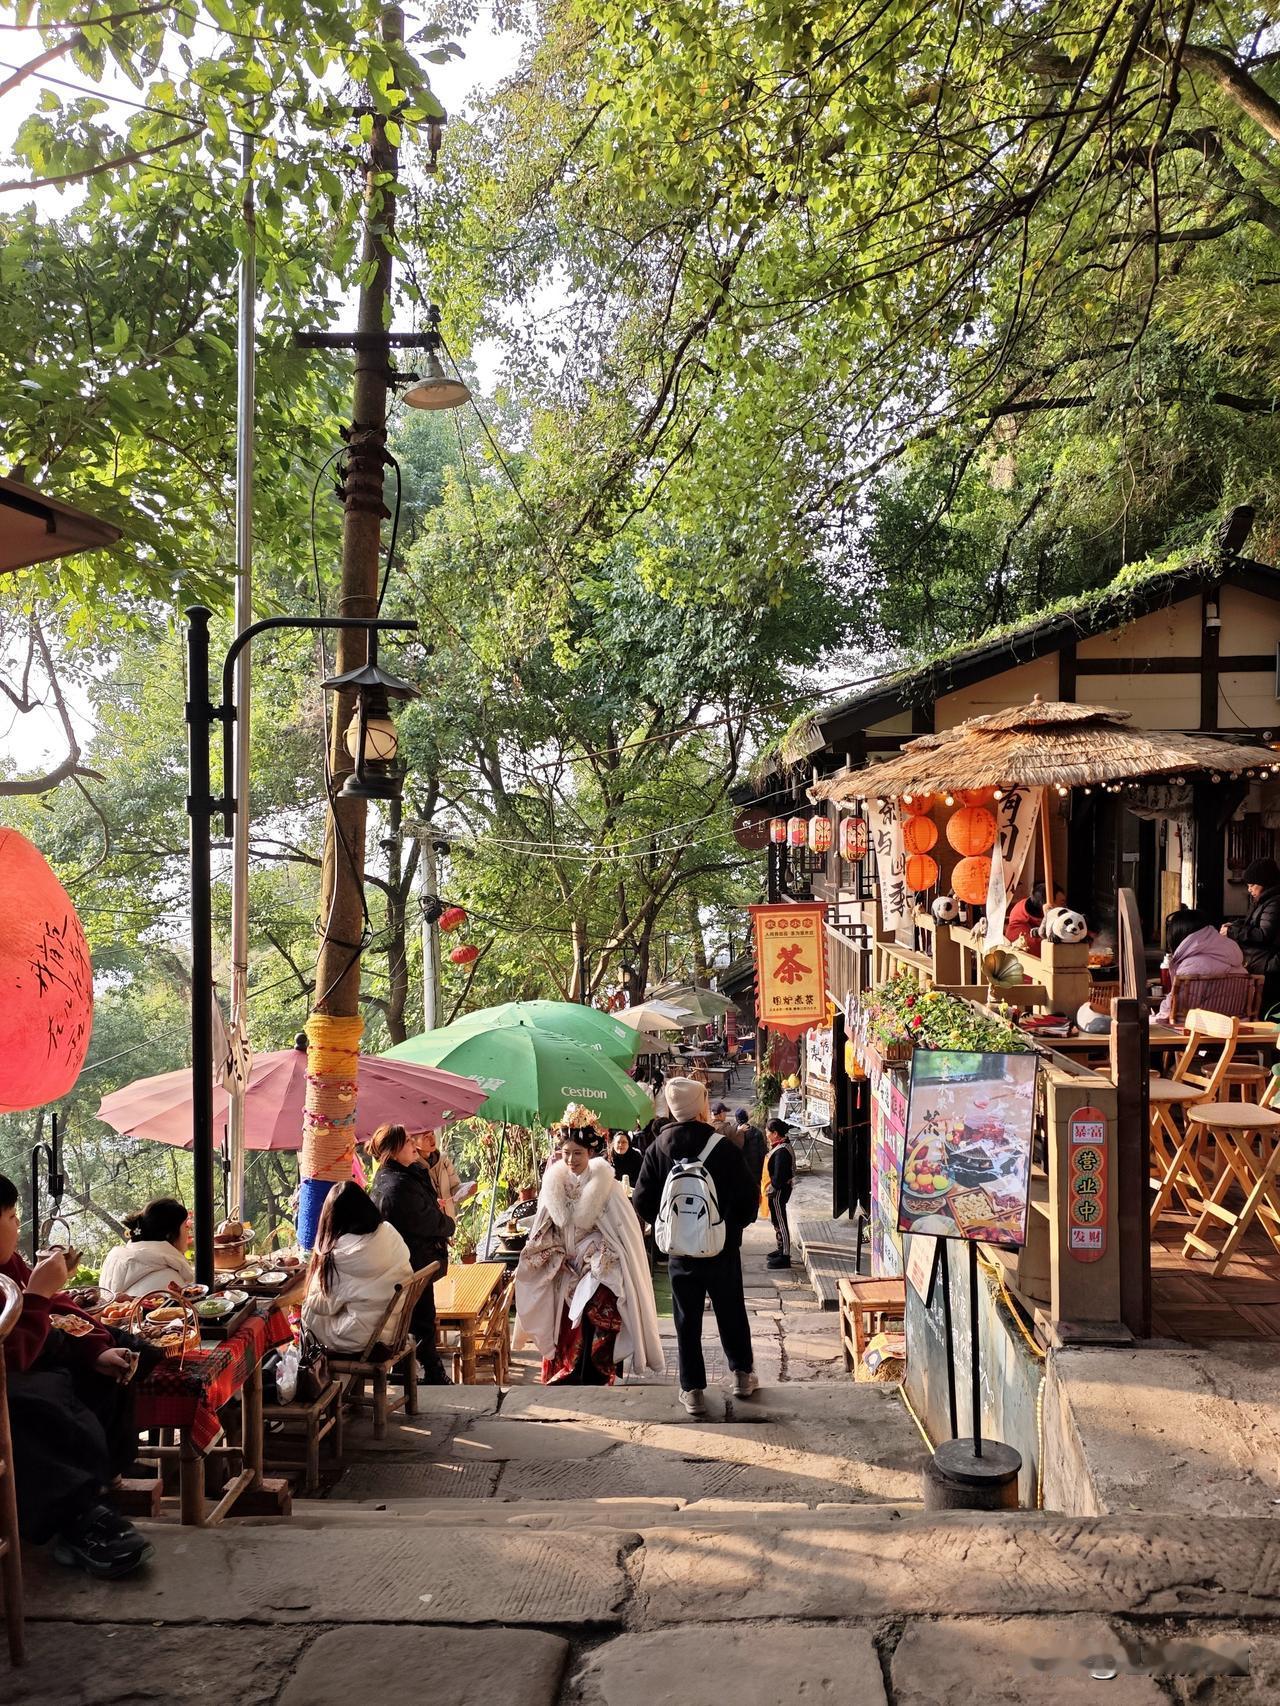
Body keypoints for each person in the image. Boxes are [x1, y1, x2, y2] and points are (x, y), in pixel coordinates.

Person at [0, 1174, 153, 1578]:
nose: (18, 1225)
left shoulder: (8, 1263)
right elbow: (9, 1357)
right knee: (36, 1401)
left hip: (30, 1360)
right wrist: (35, 1297)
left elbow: (59, 1313)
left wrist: (96, 1348)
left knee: (111, 1365)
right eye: (12, 1216)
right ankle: (79, 1519)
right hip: (12, 1383)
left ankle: (95, 1490)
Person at [631, 1076, 759, 1418]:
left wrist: (667, 1223)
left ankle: (692, 1390)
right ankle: (742, 1375)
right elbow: (749, 1199)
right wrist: (731, 1227)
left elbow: (641, 1200)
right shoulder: (722, 1146)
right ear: (700, 1105)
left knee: (686, 1320)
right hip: (721, 1248)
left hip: (680, 1253)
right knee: (730, 1309)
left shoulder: (658, 1147)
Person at [515, 1107, 664, 1384]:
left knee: (597, 1309)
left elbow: (622, 1234)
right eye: (566, 1153)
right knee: (561, 1321)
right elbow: (543, 1229)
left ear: (591, 1154)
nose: (570, 1160)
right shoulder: (554, 1184)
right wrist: (555, 1252)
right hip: (563, 1264)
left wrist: (596, 1256)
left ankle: (595, 1373)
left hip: (598, 1265)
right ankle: (565, 1373)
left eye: (578, 1154)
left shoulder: (608, 1188)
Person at [368, 1122, 453, 1383]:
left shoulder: (405, 1174)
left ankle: (414, 1371)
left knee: (417, 1319)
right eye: (406, 1141)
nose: (412, 1144)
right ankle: (431, 1373)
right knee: (421, 1320)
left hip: (415, 1260)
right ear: (393, 1151)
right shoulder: (396, 1187)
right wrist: (447, 1224)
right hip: (411, 1262)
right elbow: (425, 1221)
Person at [301, 1182, 413, 1355]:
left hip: (362, 1340)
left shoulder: (340, 1254)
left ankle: (319, 1378)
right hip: (394, 1329)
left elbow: (321, 1306)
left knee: (308, 1313)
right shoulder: (389, 1232)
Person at [1157, 908, 1247, 1021]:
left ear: (1178, 935)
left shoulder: (1192, 966)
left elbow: (1175, 1010)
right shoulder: (1234, 957)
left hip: (1197, 1031)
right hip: (1237, 1028)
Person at [99, 1198, 191, 1298]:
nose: (189, 1230)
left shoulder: (117, 1262)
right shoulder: (168, 1280)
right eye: (185, 1225)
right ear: (169, 1234)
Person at [1223, 857, 1280, 1015]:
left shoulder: (1275, 902)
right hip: (1261, 963)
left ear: (1265, 882)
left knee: (1265, 1010)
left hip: (1269, 966)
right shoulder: (1264, 900)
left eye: (1252, 885)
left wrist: (1232, 932)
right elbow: (1251, 923)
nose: (1249, 889)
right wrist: (1234, 925)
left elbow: (1263, 934)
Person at [764, 1119, 797, 1270]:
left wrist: (773, 1187)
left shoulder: (782, 1151)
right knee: (777, 1221)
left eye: (768, 1132)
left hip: (778, 1192)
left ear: (775, 1134)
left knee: (781, 1222)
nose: (766, 1134)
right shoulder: (782, 1145)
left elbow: (779, 1176)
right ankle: (780, 1249)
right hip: (778, 1191)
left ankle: (785, 1256)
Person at [413, 1127, 463, 1219]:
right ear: (414, 1142)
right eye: (426, 1137)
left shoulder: (443, 1160)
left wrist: (465, 1190)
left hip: (449, 1219)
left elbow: (454, 1187)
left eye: (432, 1134)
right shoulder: (412, 1167)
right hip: (431, 1223)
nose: (432, 1139)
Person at [734, 1107, 767, 1192]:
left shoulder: (733, 1133)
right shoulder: (757, 1133)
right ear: (747, 1118)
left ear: (737, 1119)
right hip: (755, 1171)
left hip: (739, 1172)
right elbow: (762, 1153)